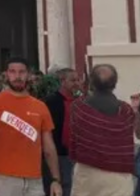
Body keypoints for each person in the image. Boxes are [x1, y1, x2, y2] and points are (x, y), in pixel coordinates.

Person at [0, 57, 63, 196]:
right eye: (13, 72)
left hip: (34, 179)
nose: (17, 76)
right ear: (6, 75)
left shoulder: (40, 107)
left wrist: (56, 179)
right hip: (3, 179)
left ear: (28, 75)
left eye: (22, 72)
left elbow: (49, 147)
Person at [68, 64, 135, 196]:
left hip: (87, 171)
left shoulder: (79, 107)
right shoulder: (126, 110)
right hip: (118, 173)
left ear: (91, 82)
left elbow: (74, 138)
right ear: (115, 83)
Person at [43, 68, 79, 196]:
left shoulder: (79, 101)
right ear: (63, 81)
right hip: (57, 153)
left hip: (75, 154)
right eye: (73, 80)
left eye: (78, 80)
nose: (76, 83)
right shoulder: (51, 101)